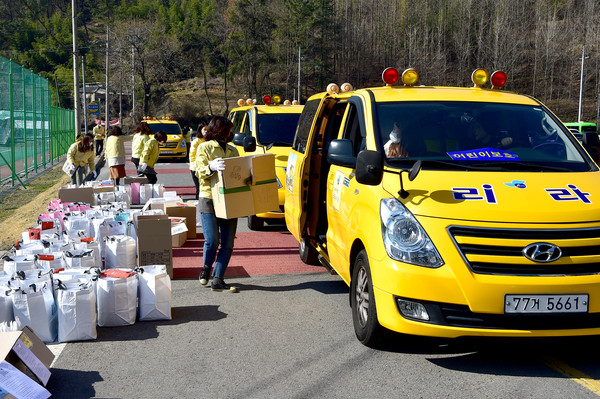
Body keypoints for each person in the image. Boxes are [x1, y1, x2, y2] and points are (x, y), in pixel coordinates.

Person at [195, 116, 239, 292]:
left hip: (229, 199)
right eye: (228, 129)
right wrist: (210, 167)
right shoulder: (204, 148)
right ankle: (206, 267)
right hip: (209, 198)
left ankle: (218, 277)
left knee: (228, 243)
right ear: (220, 129)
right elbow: (199, 172)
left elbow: (238, 172)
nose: (231, 133)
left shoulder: (232, 150)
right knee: (212, 240)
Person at [189, 123, 207, 200]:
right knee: (199, 188)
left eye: (208, 130)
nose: (206, 132)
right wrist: (195, 167)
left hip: (206, 168)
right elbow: (192, 156)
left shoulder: (208, 140)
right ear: (200, 130)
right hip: (196, 168)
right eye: (205, 130)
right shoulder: (196, 142)